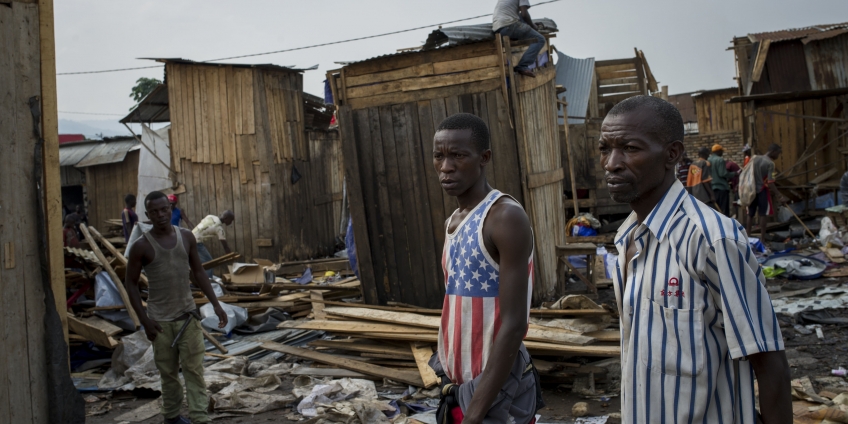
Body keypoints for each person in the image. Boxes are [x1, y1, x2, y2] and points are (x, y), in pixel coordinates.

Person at [599, 95, 791, 424]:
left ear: (672, 154)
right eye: (605, 148)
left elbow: (769, 362)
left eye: (630, 148)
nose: (611, 163)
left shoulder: (712, 240)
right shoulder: (627, 239)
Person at [429, 113, 541, 424]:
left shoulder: (504, 217)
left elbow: (516, 323)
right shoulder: (453, 221)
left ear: (484, 158)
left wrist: (475, 414)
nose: (446, 166)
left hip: (495, 392)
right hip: (458, 385)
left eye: (458, 155)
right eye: (439, 156)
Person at [125, 191, 228, 424]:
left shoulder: (186, 237)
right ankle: (171, 417)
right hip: (159, 322)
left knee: (194, 371)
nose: (160, 215)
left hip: (188, 317)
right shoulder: (141, 246)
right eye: (154, 212)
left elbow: (199, 272)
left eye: (164, 210)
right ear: (148, 215)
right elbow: (130, 284)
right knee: (168, 373)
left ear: (170, 211)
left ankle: (200, 418)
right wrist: (144, 320)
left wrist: (216, 304)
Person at [493, 0, 546, 78]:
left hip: (498, 28)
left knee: (520, 17)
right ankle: (523, 66)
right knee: (540, 39)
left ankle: (515, 36)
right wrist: (533, 26)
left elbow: (521, 16)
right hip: (510, 25)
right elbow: (524, 14)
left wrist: (531, 24)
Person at [747, 144, 788, 243]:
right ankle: (763, 239)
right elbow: (770, 182)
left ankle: (747, 237)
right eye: (778, 153)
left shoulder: (754, 158)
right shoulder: (770, 163)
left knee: (750, 214)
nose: (778, 156)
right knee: (763, 214)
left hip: (751, 190)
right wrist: (779, 196)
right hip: (761, 190)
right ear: (773, 151)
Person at [191, 210, 235, 278]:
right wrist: (231, 257)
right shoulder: (219, 229)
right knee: (209, 262)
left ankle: (196, 280)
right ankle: (208, 281)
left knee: (195, 262)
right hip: (196, 242)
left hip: (189, 238)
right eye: (231, 220)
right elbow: (225, 247)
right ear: (226, 218)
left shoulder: (210, 216)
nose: (231, 222)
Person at [708, 144, 736, 216]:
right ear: (718, 151)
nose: (722, 153)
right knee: (724, 210)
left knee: (716, 211)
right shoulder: (720, 160)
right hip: (722, 188)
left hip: (712, 189)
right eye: (721, 151)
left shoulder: (708, 160)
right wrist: (733, 174)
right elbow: (723, 173)